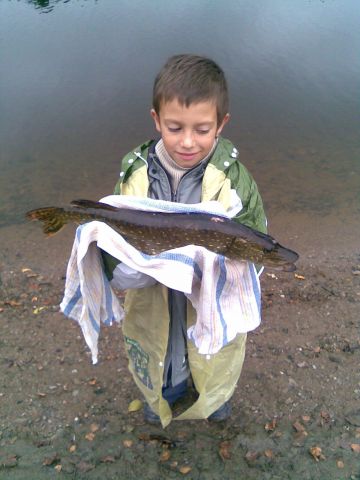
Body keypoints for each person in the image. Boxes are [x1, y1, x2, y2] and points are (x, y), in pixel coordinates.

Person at [102, 54, 267, 426]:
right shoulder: (135, 178)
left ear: (221, 125)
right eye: (175, 128)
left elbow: (255, 244)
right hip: (152, 301)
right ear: (156, 120)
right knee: (155, 350)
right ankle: (155, 400)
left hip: (210, 303)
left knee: (214, 360)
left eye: (202, 129)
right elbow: (112, 248)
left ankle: (215, 401)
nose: (188, 142)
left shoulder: (234, 183)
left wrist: (238, 266)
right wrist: (130, 270)